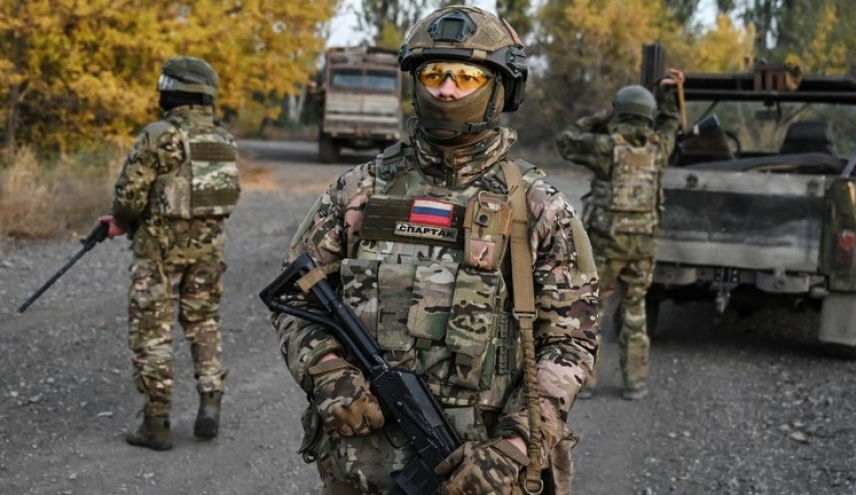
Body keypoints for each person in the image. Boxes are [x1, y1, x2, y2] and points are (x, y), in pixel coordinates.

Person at [268, 5, 599, 494]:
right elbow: (296, 298)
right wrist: (327, 371)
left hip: (482, 473)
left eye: (466, 77)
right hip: (363, 469)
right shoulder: (359, 191)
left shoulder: (537, 207)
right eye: (433, 74)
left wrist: (514, 446)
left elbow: (571, 342)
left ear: (500, 89)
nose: (446, 90)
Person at [99, 56, 240, 450]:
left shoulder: (158, 135)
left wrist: (120, 220)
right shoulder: (223, 139)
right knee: (204, 323)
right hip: (207, 251)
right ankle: (210, 403)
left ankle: (156, 423)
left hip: (158, 252)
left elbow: (129, 197)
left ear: (173, 90)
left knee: (153, 331)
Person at [555, 69, 685, 400]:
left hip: (606, 246)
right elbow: (671, 123)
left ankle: (586, 383)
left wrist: (603, 116)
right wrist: (669, 94)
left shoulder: (605, 147)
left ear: (621, 111)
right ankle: (635, 384)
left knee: (592, 312)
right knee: (635, 311)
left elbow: (566, 140)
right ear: (647, 114)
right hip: (643, 247)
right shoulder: (659, 147)